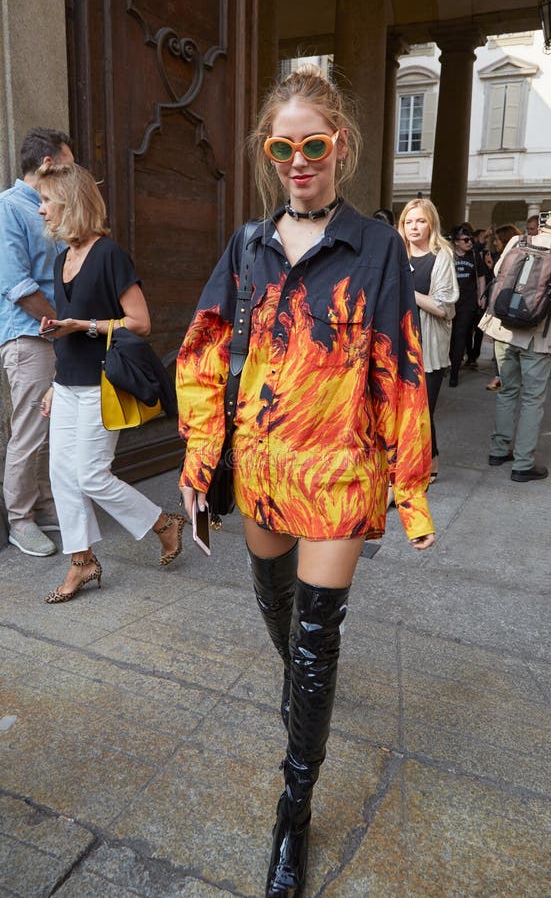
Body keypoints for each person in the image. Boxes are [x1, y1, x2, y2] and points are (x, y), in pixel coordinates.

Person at [176, 64, 435, 897]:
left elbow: (400, 366)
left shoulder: (378, 244)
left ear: (341, 148)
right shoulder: (247, 245)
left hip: (339, 467)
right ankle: (299, 694)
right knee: (276, 609)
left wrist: (411, 485)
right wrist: (199, 457)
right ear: (268, 152)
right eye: (282, 146)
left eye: (313, 145)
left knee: (317, 644)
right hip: (260, 460)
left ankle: (295, 811)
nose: (298, 160)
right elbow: (207, 354)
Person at [36, 162, 185, 603]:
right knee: (63, 476)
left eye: (47, 200)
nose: (42, 210)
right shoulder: (62, 258)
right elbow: (66, 335)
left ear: (70, 201)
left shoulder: (109, 255)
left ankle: (164, 523)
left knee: (92, 476)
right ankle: (82, 562)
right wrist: (52, 382)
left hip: (102, 386)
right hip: (67, 385)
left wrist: (85, 324)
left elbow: (140, 323)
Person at [0, 128, 74, 557]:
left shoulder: (48, 210)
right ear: (47, 163)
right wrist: (60, 321)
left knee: (47, 429)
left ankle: (44, 506)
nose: (72, 173)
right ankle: (19, 520)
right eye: (67, 164)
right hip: (29, 334)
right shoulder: (10, 208)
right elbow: (15, 282)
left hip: (50, 332)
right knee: (28, 432)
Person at [479, 210, 551, 482]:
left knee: (507, 391)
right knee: (533, 399)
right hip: (537, 334)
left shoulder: (515, 243)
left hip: (502, 329)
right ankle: (523, 464)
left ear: (543, 228)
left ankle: (499, 450)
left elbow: (498, 274)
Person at [399, 198, 458, 483]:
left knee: (423, 409)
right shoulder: (397, 255)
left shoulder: (441, 256)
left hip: (429, 347)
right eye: (409, 221)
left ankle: (421, 467)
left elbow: (444, 307)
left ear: (431, 223)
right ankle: (428, 462)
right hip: (399, 344)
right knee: (403, 409)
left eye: (420, 221)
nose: (414, 227)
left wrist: (406, 290)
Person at [484, 224, 523, 391]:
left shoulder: (511, 257)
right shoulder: (501, 255)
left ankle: (502, 376)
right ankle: (502, 375)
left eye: (497, 240)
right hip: (501, 304)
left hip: (505, 305)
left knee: (502, 341)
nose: (495, 243)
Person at [448, 224, 486, 386]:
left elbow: (481, 277)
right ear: (456, 242)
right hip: (450, 301)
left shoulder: (475, 256)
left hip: (468, 302)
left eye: (470, 239)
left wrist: (481, 296)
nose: (469, 242)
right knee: (449, 336)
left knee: (460, 335)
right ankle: (448, 363)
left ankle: (454, 373)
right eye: (465, 240)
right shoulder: (448, 256)